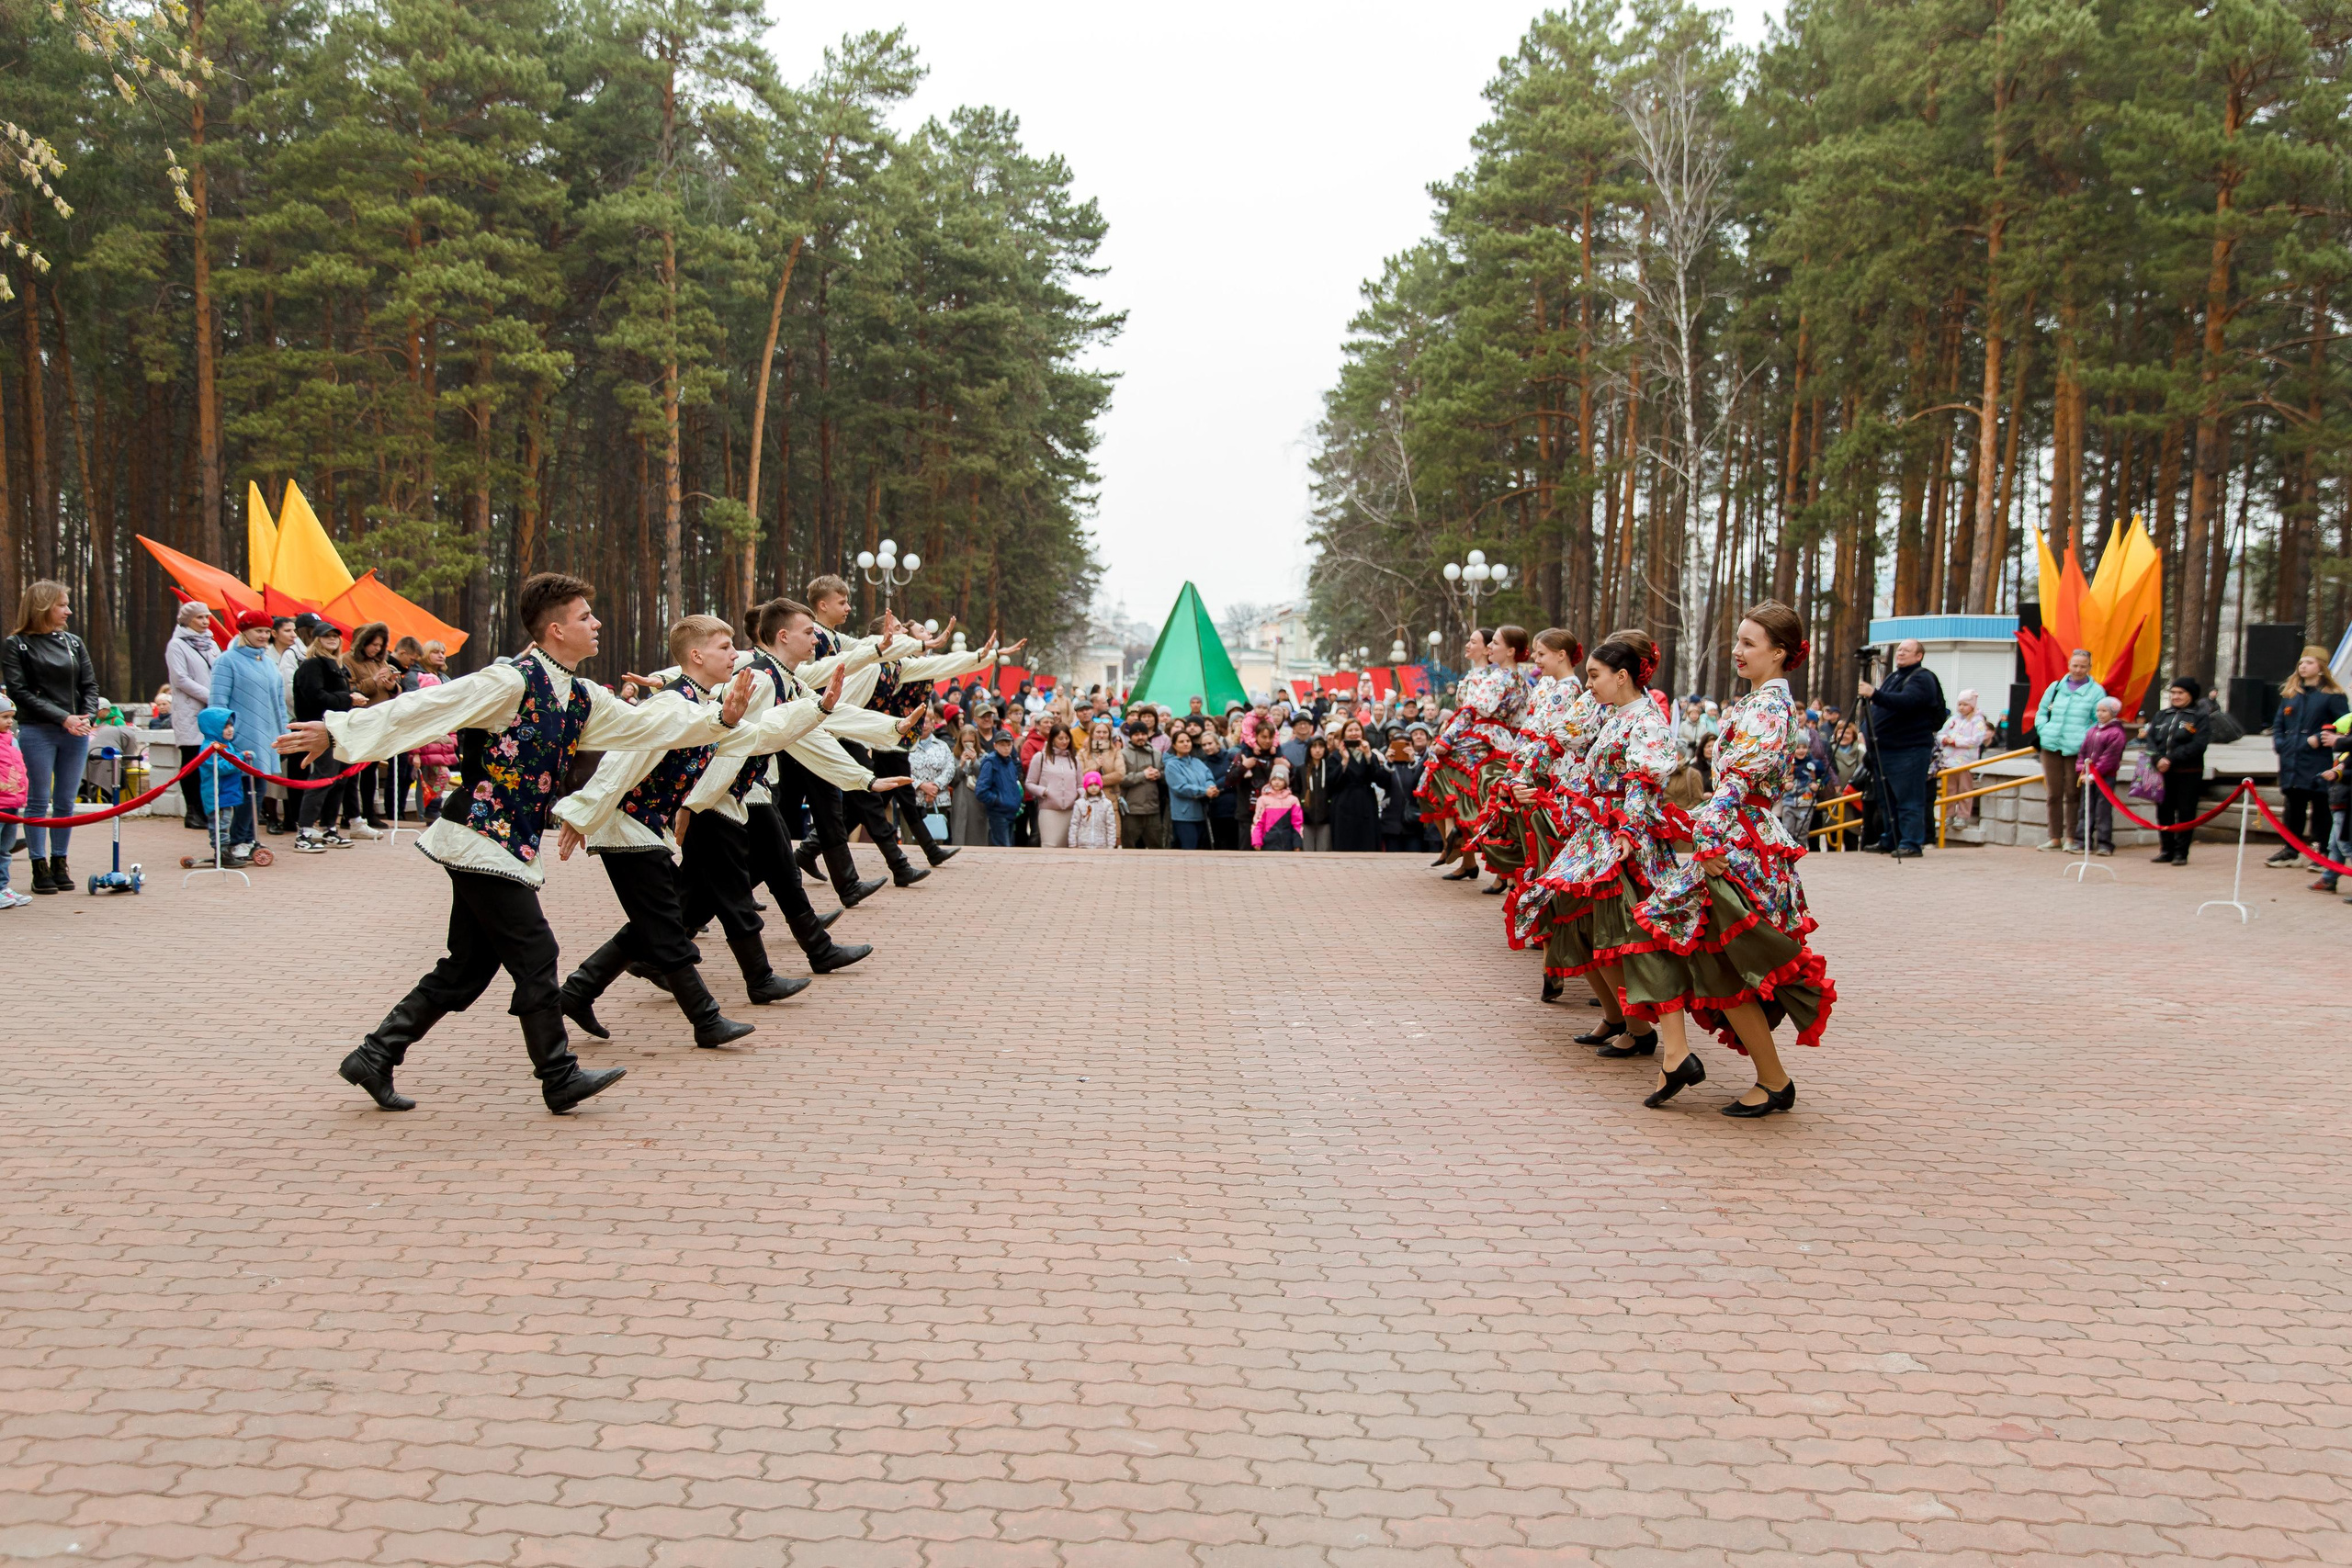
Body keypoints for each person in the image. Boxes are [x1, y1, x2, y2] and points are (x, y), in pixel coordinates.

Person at [273, 572, 754, 1113]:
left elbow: (643, 727)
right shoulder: (511, 681)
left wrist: (718, 718)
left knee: (467, 968)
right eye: (583, 617)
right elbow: (428, 708)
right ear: (555, 629)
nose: (596, 624)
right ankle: (558, 1075)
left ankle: (376, 1054)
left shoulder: (579, 694)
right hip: (478, 837)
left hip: (506, 844)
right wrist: (338, 732)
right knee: (536, 951)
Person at [550, 615, 844, 1043]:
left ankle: (578, 992)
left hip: (646, 829)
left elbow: (759, 736)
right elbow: (622, 760)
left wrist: (818, 708)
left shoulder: (709, 707)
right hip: (625, 829)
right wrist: (581, 814)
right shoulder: (671, 704)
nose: (736, 655)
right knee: (668, 928)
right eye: (725, 647)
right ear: (696, 655)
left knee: (654, 922)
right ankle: (706, 1021)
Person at [1631, 605, 1836, 1115]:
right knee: (1704, 956)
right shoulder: (1757, 703)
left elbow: (1738, 785)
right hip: (1737, 839)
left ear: (1780, 652)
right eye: (1738, 641)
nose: (1737, 651)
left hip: (1739, 846)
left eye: (1748, 643)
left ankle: (1765, 1078)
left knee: (1716, 959)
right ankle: (1693, 1060)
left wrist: (1703, 836)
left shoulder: (1768, 707)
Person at [2, 580, 101, 895]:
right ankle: (38, 864)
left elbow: (89, 685)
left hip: (75, 731)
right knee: (37, 800)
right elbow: (19, 692)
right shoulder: (16, 644)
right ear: (43, 606)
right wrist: (63, 718)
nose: (68, 611)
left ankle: (60, 860)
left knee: (65, 802)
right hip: (38, 731)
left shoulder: (73, 643)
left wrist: (86, 716)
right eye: (62, 605)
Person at [1419, 626, 1532, 882]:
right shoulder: (1522, 682)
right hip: (1505, 744)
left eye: (1496, 643)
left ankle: (1455, 834)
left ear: (1511, 651)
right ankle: (1487, 863)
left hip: (1480, 740)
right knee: (1494, 803)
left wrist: (1445, 740)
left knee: (1437, 767)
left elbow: (1470, 712)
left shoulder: (1496, 678)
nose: (1491, 647)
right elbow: (1519, 722)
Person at [1857, 636, 1945, 858]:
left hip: (1908, 750)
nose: (1901, 653)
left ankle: (1910, 842)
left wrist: (1874, 694)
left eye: (1907, 650)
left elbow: (1907, 702)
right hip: (1885, 749)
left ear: (1919, 656)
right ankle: (1891, 838)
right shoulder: (1896, 676)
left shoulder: (1922, 678)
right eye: (1899, 650)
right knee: (1887, 800)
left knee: (1908, 799)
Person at [2269, 646, 2346, 869]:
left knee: (2320, 805)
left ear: (2321, 668)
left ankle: (2321, 850)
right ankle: (2291, 849)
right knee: (2293, 805)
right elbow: (2278, 724)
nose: (2303, 667)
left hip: (2316, 759)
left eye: (2309, 663)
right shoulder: (2291, 694)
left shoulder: (2332, 696)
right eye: (2302, 663)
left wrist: (2319, 737)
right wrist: (2281, 745)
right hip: (2290, 759)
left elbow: (2344, 724)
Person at [291, 623, 365, 852]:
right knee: (323, 778)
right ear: (316, 640)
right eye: (326, 636)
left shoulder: (336, 664)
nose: (332, 639)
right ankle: (304, 831)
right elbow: (315, 696)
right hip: (321, 729)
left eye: (335, 636)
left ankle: (329, 828)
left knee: (339, 779)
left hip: (339, 728)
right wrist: (349, 698)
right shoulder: (313, 664)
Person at [2030, 647, 2106, 852]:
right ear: (2069, 665)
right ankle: (2054, 837)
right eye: (2075, 665)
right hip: (2051, 745)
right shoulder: (2056, 687)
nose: (2078, 669)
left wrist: (2084, 737)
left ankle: (2072, 837)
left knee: (2073, 793)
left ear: (2090, 667)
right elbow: (2042, 711)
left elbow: (2097, 718)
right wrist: (2044, 729)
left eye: (2083, 666)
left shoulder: (2096, 691)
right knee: (2053, 793)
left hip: (2077, 750)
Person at [2140, 677, 2209, 865]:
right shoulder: (2162, 715)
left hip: (2188, 772)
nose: (2176, 697)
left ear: (2190, 695)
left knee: (2186, 812)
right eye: (2173, 693)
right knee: (2164, 811)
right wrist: (2157, 758)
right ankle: (2166, 849)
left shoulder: (2199, 716)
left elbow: (2198, 745)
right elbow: (2151, 740)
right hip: (2162, 772)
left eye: (2180, 693)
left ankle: (2181, 852)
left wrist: (2170, 759)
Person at [164, 600, 220, 829]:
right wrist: (210, 695)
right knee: (191, 760)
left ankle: (209, 809)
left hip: (213, 709)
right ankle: (193, 811)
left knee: (210, 760)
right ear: (187, 620)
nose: (206, 622)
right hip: (190, 710)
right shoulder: (177, 645)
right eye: (200, 617)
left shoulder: (212, 644)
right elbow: (180, 679)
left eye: (207, 617)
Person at [190, 706, 259, 868]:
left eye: (231, 726)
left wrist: (242, 756)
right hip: (217, 792)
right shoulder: (210, 747)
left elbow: (231, 760)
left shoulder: (225, 745)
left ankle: (224, 849)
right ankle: (221, 851)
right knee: (220, 822)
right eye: (225, 726)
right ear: (213, 728)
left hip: (227, 792)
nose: (230, 730)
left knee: (225, 821)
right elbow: (223, 767)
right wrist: (241, 758)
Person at [2073, 696, 2128, 856]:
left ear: (2113, 713)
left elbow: (2110, 758)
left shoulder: (2116, 733)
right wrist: (2082, 771)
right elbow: (2083, 753)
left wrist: (2094, 774)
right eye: (2098, 710)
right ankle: (2082, 841)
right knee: (2085, 808)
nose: (2100, 714)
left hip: (2105, 777)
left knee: (2102, 810)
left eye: (2104, 711)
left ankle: (2104, 843)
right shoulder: (2092, 731)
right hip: (2087, 777)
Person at [1936, 687, 1996, 830]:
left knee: (1965, 790)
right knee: (1948, 790)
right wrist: (1945, 739)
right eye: (1959, 704)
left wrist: (1956, 742)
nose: (1961, 708)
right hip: (1949, 761)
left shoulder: (1977, 720)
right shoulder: (1954, 719)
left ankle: (1962, 817)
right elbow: (1941, 733)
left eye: (1965, 704)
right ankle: (1948, 815)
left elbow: (1976, 739)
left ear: (1972, 705)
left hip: (1965, 762)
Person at [1024, 720, 1081, 849]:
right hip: (1049, 810)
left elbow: (1080, 785)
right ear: (1053, 739)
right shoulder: (1041, 757)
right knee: (1050, 845)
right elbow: (1029, 783)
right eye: (1060, 738)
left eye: (1067, 738)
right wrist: (1044, 791)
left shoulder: (1075, 760)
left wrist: (1078, 794)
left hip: (1070, 811)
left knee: (1068, 847)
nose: (1064, 741)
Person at [1330, 719, 1382, 852]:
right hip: (1344, 802)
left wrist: (1368, 755)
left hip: (1365, 802)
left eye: (1357, 730)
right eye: (1350, 730)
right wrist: (1345, 761)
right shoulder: (1336, 755)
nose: (1354, 733)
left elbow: (1377, 777)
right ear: (1344, 734)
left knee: (1367, 842)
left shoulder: (1369, 753)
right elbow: (1331, 782)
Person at [1163, 728, 1216, 849]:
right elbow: (1181, 787)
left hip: (1201, 813)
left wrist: (1210, 788)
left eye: (1188, 741)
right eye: (1181, 742)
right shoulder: (1172, 766)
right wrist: (1204, 791)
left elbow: (1209, 777)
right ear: (1174, 746)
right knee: (1189, 849)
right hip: (1184, 816)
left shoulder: (1197, 762)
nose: (1186, 744)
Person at [1116, 722, 1163, 849]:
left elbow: (1165, 775)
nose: (1140, 737)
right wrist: (1143, 775)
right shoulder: (1122, 754)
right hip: (1131, 810)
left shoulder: (1156, 753)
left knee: (1157, 847)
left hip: (1153, 808)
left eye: (1143, 734)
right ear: (1130, 736)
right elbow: (1121, 778)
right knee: (1129, 847)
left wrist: (1159, 774)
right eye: (1136, 734)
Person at [0, 695, 28, 908]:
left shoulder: (12, 740)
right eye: (4, 717)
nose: (10, 721)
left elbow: (18, 769)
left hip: (11, 802)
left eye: (11, 717)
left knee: (5, 848)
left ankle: (2, 887)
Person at [1377, 732, 1424, 853]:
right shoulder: (1388, 766)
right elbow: (1381, 782)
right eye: (1397, 745)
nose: (1402, 749)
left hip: (1413, 821)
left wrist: (1413, 762)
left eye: (1406, 745)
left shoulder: (1418, 765)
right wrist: (1389, 762)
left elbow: (1421, 784)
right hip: (1391, 823)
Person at [976, 729, 1023, 845]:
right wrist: (998, 801)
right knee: (1003, 848)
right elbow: (981, 791)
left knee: (1008, 847)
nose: (1006, 748)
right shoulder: (990, 763)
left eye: (1009, 745)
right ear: (995, 746)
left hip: (1011, 812)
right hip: (998, 813)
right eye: (1002, 745)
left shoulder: (1011, 763)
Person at [949, 725, 990, 847]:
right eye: (965, 742)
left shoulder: (984, 757)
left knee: (978, 834)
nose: (968, 744)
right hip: (960, 799)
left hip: (978, 802)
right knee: (959, 833)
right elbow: (952, 781)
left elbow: (985, 778)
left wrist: (974, 761)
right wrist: (961, 764)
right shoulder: (954, 757)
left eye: (971, 742)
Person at [1296, 734, 1340, 851]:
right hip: (1306, 817)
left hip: (1326, 817)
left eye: (1321, 747)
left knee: (1324, 851)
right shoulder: (1301, 769)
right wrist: (1301, 807)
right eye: (1314, 747)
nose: (1317, 750)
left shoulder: (1330, 768)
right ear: (1309, 749)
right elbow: (1296, 790)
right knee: (1307, 851)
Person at [1250, 762, 1303, 850]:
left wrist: (1297, 844)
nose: (1277, 782)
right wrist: (1256, 841)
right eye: (1274, 779)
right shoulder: (1263, 799)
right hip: (1268, 842)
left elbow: (1297, 824)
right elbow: (1258, 822)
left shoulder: (1293, 800)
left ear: (1286, 782)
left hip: (1287, 843)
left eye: (1280, 780)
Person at [1070, 770, 1119, 849]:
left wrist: (1111, 845)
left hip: (1101, 845)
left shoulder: (1107, 804)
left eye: (1096, 784)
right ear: (1086, 787)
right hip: (1083, 845)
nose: (1093, 788)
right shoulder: (1079, 804)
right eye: (1090, 785)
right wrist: (1073, 844)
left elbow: (1111, 826)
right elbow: (1074, 825)